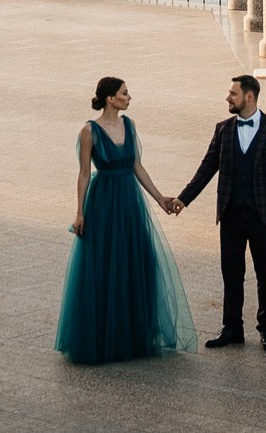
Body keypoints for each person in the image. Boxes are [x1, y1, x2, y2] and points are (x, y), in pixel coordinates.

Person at [55, 77, 198, 364]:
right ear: (110, 98)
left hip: (130, 203)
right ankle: (103, 336)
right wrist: (79, 211)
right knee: (104, 265)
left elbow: (136, 166)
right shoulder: (89, 131)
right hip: (104, 202)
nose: (129, 97)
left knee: (138, 260)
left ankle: (134, 333)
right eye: (124, 93)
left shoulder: (129, 125)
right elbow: (84, 173)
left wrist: (159, 199)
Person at [169, 73, 266, 350]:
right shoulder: (223, 130)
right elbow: (206, 168)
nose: (228, 98)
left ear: (249, 97)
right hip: (231, 215)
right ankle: (232, 328)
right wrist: (183, 199)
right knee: (231, 273)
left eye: (233, 94)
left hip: (265, 215)